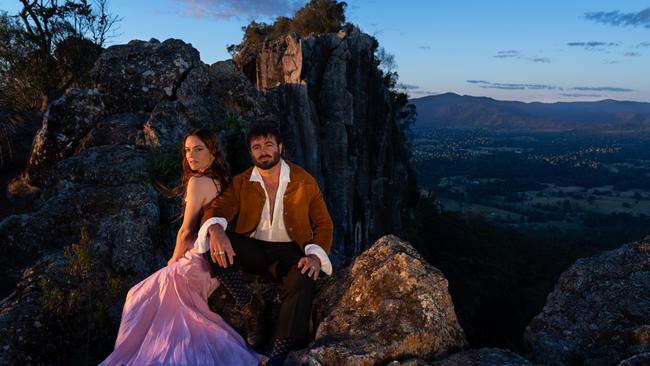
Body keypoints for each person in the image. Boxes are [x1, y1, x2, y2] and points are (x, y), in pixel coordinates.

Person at [100, 128, 263, 366]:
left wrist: (173, 261)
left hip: (198, 261)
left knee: (138, 296)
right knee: (150, 300)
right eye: (187, 150)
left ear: (213, 153)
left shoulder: (198, 181)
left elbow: (186, 231)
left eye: (199, 149)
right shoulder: (220, 180)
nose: (191, 156)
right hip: (212, 263)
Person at [196, 123, 334, 365]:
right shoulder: (242, 181)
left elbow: (323, 223)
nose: (263, 151)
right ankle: (249, 305)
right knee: (211, 241)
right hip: (254, 248)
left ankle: (277, 356)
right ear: (251, 153)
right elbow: (219, 208)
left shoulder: (304, 181)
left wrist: (314, 256)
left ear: (280, 147)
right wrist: (217, 229)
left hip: (289, 252)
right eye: (256, 147)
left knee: (305, 277)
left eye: (269, 145)